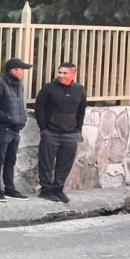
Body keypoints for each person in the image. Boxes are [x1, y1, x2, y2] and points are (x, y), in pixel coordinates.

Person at [34, 62, 86, 203]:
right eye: (59, 72)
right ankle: (45, 190)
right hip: (50, 132)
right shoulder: (48, 88)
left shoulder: (79, 89)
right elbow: (39, 108)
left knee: (65, 163)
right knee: (46, 163)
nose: (61, 75)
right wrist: (43, 129)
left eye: (65, 73)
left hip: (70, 134)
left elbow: (81, 110)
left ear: (73, 74)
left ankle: (58, 189)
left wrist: (78, 129)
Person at [0, 58, 32, 202]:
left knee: (10, 161)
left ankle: (10, 189)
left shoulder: (19, 86)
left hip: (15, 130)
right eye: (21, 69)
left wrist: (22, 120)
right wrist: (9, 119)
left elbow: (20, 106)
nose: (23, 72)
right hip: (2, 129)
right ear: (13, 70)